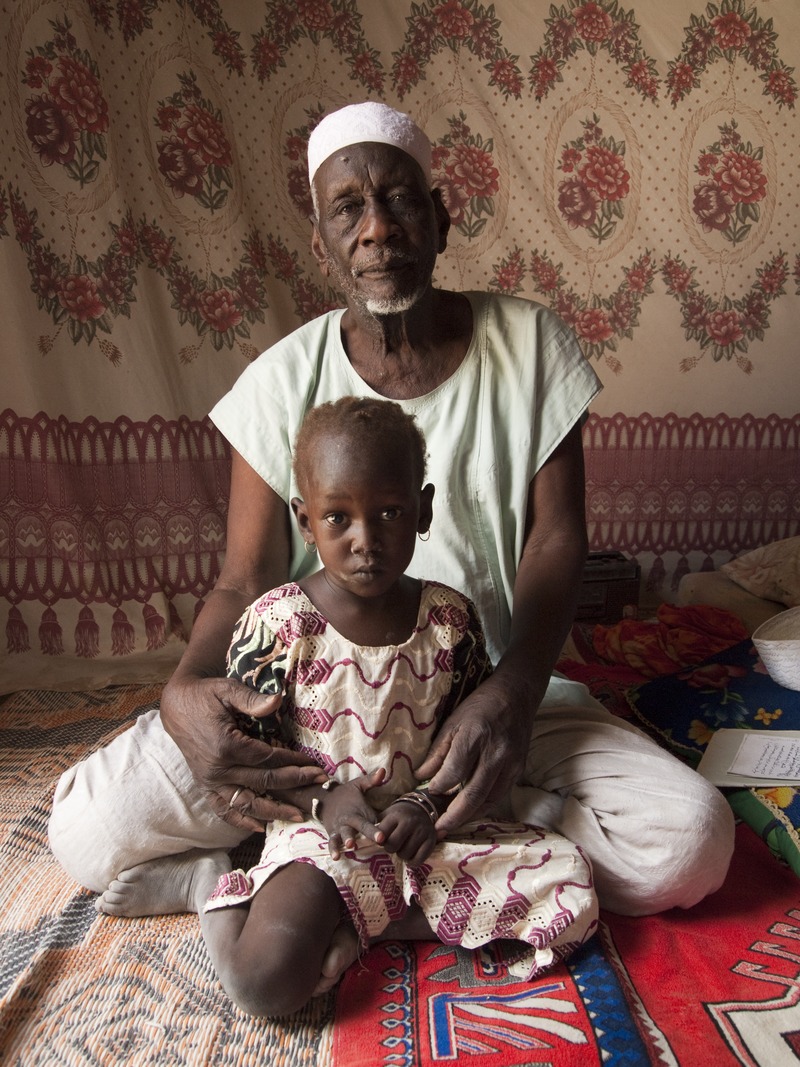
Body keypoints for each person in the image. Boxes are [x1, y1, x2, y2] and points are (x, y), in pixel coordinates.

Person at [49, 101, 734, 960]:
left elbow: (556, 543)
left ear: (441, 217)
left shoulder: (533, 347)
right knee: (85, 829)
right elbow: (244, 577)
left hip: (483, 698)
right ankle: (451, 862)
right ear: (320, 245)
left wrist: (513, 695)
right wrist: (184, 689)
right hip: (310, 723)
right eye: (348, 209)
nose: (377, 228)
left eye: (400, 199)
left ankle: (340, 870)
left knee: (691, 843)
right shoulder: (279, 381)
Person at [180, 396, 597, 1016]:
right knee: (264, 983)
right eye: (338, 518)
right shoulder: (278, 625)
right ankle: (205, 890)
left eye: (390, 513)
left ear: (422, 509)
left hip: (424, 838)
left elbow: (465, 743)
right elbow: (249, 755)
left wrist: (422, 803)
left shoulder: (449, 621)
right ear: (304, 522)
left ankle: (366, 924)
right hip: (326, 839)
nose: (366, 540)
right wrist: (323, 798)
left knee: (572, 891)